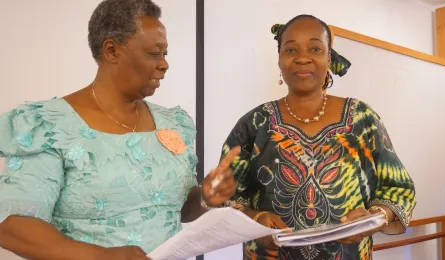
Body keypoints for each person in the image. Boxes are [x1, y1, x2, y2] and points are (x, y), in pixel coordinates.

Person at [0, 0, 240, 259]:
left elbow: (176, 209)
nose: (164, 64)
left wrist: (204, 197)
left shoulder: (173, 123)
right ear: (112, 51)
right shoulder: (51, 126)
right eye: (153, 53)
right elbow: (12, 226)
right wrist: (101, 256)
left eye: (165, 54)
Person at [220, 14, 416, 260]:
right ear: (279, 60)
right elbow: (225, 200)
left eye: (315, 48)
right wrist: (256, 220)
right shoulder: (253, 123)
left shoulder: (362, 119)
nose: (302, 57)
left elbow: (398, 190)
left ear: (329, 58)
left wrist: (375, 217)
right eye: (290, 49)